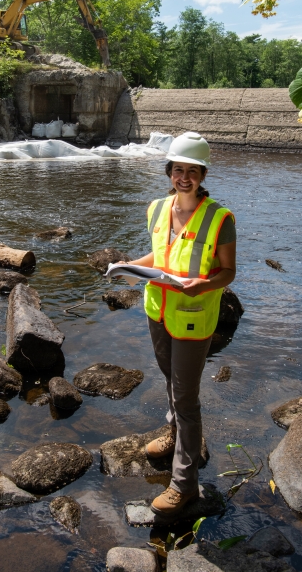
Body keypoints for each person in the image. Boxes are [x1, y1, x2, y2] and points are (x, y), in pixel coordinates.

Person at [125, 131, 236, 517]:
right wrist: (130, 268)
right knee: (170, 380)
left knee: (186, 398)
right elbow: (160, 256)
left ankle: (184, 485)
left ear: (202, 174)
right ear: (169, 171)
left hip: (193, 317)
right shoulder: (157, 208)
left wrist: (201, 284)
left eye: (192, 171)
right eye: (177, 169)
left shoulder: (220, 219)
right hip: (158, 310)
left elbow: (227, 273)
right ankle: (174, 435)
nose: (184, 177)